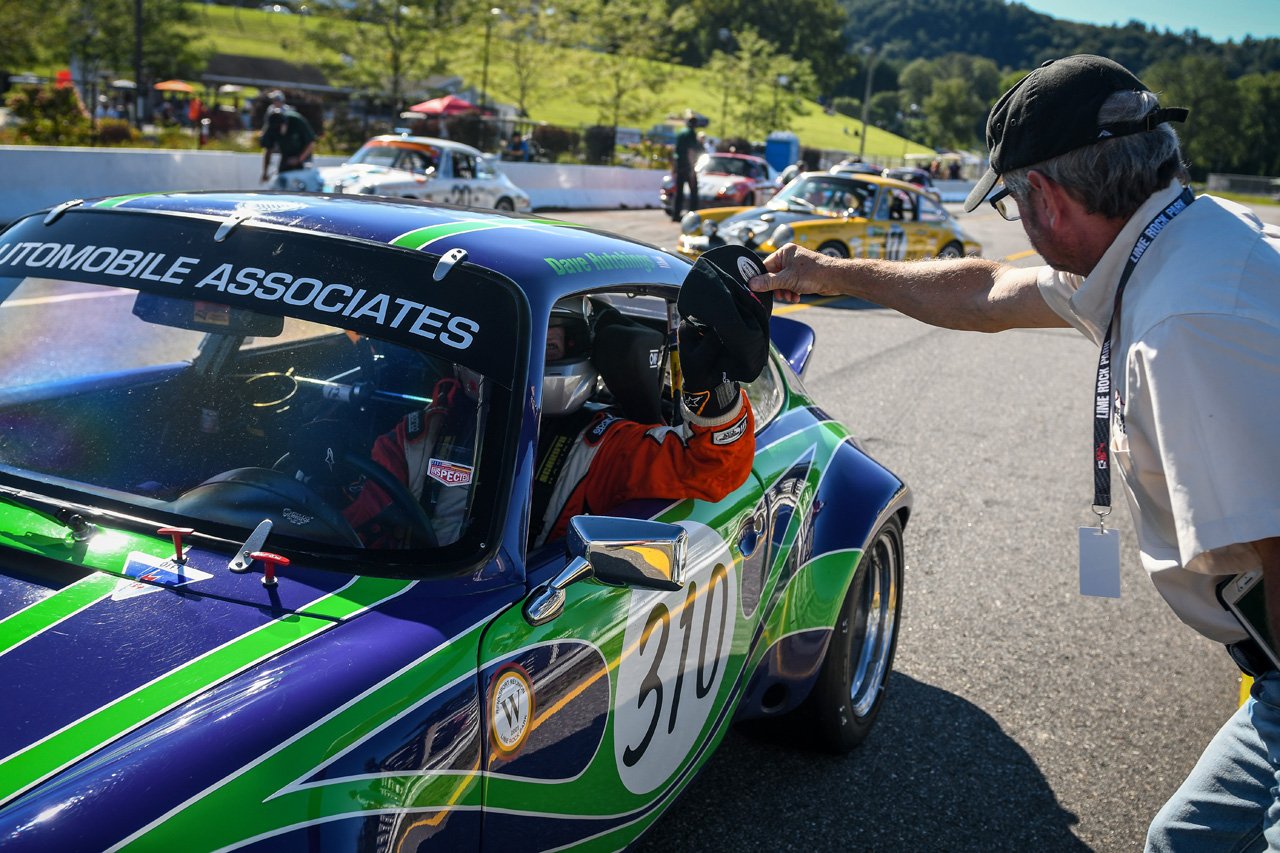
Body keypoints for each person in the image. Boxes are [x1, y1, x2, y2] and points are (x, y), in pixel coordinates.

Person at [748, 54, 1280, 849]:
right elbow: (988, 291)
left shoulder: (1182, 330)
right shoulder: (1173, 237)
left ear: (1051, 200)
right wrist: (827, 271)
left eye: (1010, 202)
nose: (1017, 226)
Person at [346, 244, 771, 550]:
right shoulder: (422, 431)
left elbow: (710, 471)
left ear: (582, 347)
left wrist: (711, 388)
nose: (527, 358)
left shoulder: (604, 445)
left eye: (548, 346)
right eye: (509, 345)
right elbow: (362, 528)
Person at [259, 90, 317, 189]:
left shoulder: (296, 120)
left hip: (303, 157)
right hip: (286, 156)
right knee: (281, 182)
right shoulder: (272, 126)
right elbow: (268, 150)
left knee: (301, 184)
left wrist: (298, 159)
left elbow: (311, 143)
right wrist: (265, 172)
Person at [670, 111, 701, 221]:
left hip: (679, 165)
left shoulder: (681, 133)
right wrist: (692, 170)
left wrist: (673, 167)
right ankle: (692, 215)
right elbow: (690, 152)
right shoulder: (691, 134)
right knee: (693, 191)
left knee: (679, 192)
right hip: (687, 167)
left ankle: (675, 214)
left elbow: (675, 150)